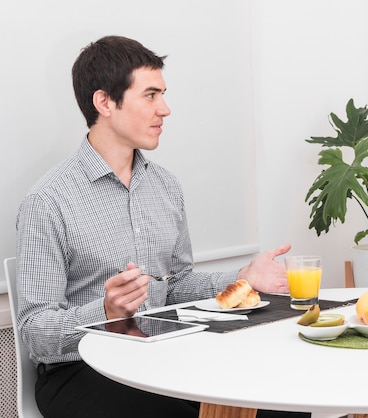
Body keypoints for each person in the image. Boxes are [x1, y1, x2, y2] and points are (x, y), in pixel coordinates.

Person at [15, 35, 308, 418]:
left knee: (281, 407)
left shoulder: (165, 186)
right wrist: (105, 309)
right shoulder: (49, 201)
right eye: (150, 95)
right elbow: (35, 332)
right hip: (78, 370)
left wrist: (242, 277)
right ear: (104, 102)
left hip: (159, 356)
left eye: (163, 95)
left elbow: (176, 288)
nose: (165, 109)